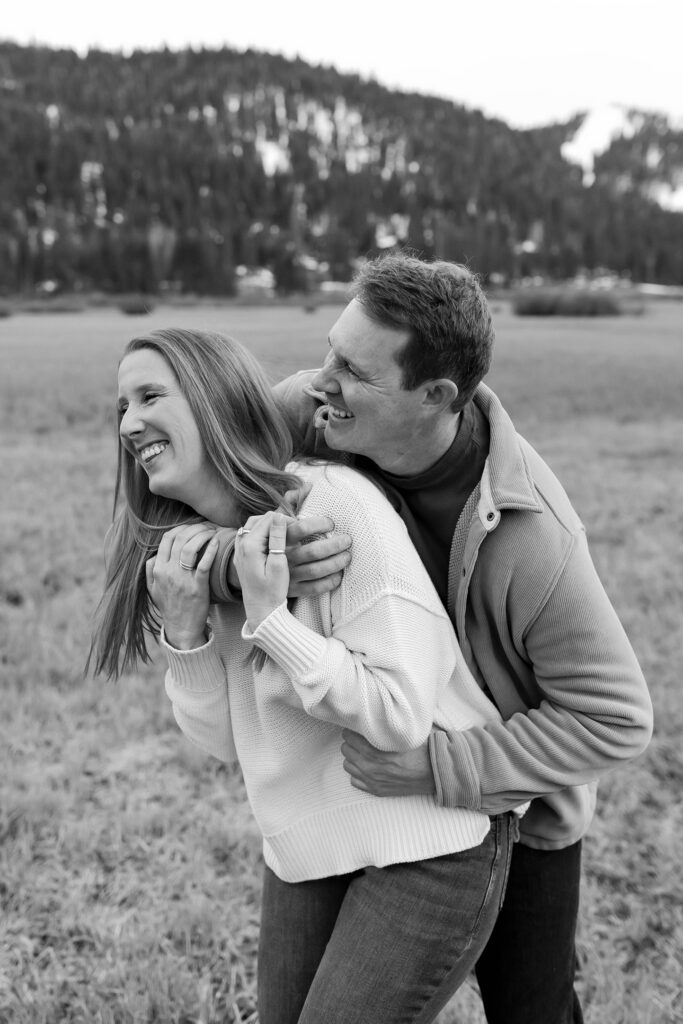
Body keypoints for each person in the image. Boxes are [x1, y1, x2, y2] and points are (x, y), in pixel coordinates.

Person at [208, 254, 653, 1024]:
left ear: (436, 397)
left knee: (532, 1009)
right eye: (329, 350)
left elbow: (615, 719)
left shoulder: (533, 537)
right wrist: (234, 567)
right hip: (343, 784)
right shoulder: (309, 412)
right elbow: (190, 496)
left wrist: (433, 764)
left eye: (353, 370)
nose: (320, 381)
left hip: (510, 813)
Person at [89, 327, 524, 1024]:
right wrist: (186, 630)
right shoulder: (192, 554)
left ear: (211, 402)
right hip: (305, 848)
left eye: (149, 396)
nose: (129, 423)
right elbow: (223, 742)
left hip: (431, 841)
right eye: (121, 406)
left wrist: (272, 619)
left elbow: (396, 713)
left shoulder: (332, 504)